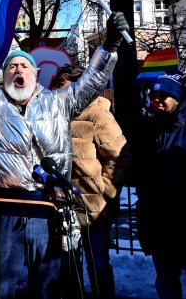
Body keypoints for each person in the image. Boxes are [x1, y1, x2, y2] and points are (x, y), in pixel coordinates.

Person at [0, 6, 128, 299]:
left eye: (24, 66)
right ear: (5, 75)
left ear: (36, 74)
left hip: (47, 208)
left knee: (47, 284)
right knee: (2, 284)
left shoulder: (59, 102)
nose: (18, 70)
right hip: (4, 209)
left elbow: (92, 81)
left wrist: (109, 46)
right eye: (12, 67)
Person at [49, 66, 129, 299]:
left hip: (94, 208)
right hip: (63, 205)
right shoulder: (55, 114)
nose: (57, 93)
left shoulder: (97, 113)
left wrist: (105, 189)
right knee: (69, 263)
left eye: (61, 87)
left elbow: (119, 156)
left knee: (98, 263)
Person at [131, 72, 186, 299]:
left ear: (177, 98)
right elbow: (136, 165)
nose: (156, 99)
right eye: (153, 95)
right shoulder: (145, 126)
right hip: (157, 219)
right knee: (166, 279)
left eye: (164, 95)